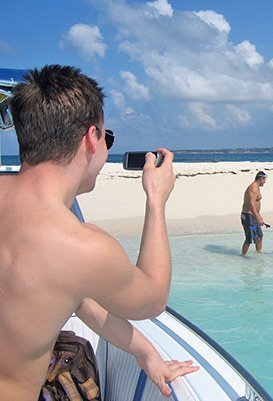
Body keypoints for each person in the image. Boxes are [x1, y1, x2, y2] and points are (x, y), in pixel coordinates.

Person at [0, 65, 197, 401]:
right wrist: (156, 200)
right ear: (91, 138)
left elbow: (75, 296)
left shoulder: (60, 259)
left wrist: (144, 350)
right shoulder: (80, 246)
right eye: (108, 137)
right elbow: (152, 299)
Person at [241, 171, 268, 255]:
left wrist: (259, 216)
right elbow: (251, 204)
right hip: (248, 216)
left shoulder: (257, 187)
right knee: (249, 239)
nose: (265, 182)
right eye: (264, 180)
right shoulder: (253, 188)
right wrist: (258, 217)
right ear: (260, 178)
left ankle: (258, 254)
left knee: (260, 236)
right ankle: (243, 257)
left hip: (254, 216)